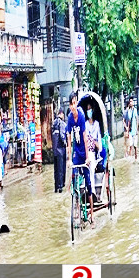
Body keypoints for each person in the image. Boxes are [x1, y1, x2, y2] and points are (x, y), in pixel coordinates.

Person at [67, 92, 94, 228]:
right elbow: (69, 138)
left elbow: (84, 137)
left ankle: (92, 215)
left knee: (88, 184)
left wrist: (88, 156)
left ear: (76, 103)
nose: (73, 106)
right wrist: (69, 158)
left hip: (84, 152)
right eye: (71, 104)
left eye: (74, 103)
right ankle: (76, 207)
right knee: (74, 182)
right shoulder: (70, 118)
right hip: (76, 154)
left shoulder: (82, 115)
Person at [84, 102, 102, 197]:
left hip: (94, 152)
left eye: (90, 109)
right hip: (87, 151)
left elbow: (99, 141)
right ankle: (90, 191)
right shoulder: (85, 124)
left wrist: (96, 144)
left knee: (91, 166)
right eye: (87, 110)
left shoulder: (97, 124)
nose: (89, 111)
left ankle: (93, 191)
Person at [52, 107, 67, 193]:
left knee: (56, 169)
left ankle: (56, 187)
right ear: (61, 114)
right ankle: (61, 186)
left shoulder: (53, 123)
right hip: (61, 150)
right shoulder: (62, 124)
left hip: (55, 151)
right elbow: (62, 136)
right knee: (61, 169)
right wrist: (65, 143)